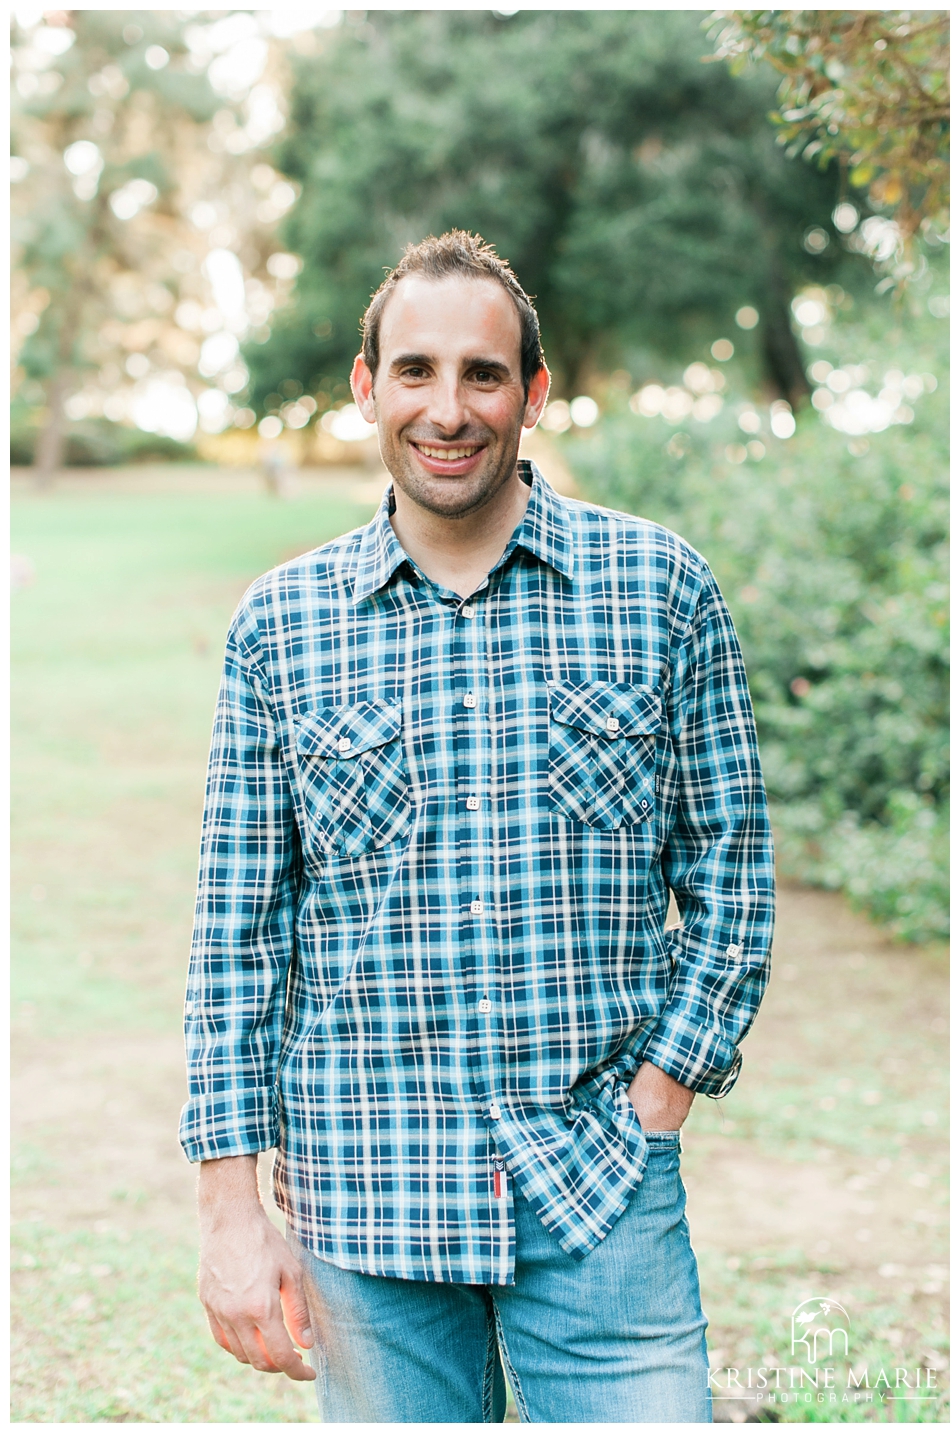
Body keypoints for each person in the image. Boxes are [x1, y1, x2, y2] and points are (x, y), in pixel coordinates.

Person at [180, 230, 775, 1423]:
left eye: (483, 374)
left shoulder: (659, 589)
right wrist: (230, 1211)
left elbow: (734, 872)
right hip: (365, 1205)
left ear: (533, 393)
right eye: (415, 370)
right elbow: (236, 937)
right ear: (367, 388)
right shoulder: (280, 627)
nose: (447, 409)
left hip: (601, 1192)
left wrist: (661, 1093)